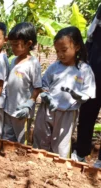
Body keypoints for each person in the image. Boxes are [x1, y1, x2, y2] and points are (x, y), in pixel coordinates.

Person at [33, 26, 96, 158]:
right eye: (57, 51)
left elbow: (88, 92)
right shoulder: (54, 67)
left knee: (61, 146)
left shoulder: (84, 70)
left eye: (64, 50)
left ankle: (58, 172)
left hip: (67, 113)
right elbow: (43, 85)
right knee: (41, 140)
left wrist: (80, 96)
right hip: (47, 110)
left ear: (77, 47)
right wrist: (46, 96)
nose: (60, 54)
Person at [71, 5, 101, 167]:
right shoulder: (97, 29)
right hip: (94, 76)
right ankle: (81, 152)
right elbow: (88, 45)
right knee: (87, 114)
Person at [2, 22, 42, 144]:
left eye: (16, 45)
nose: (12, 48)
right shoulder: (13, 60)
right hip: (9, 108)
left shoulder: (33, 63)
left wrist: (29, 103)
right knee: (7, 140)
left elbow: (37, 86)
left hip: (22, 112)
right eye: (11, 45)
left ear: (28, 43)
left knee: (20, 142)